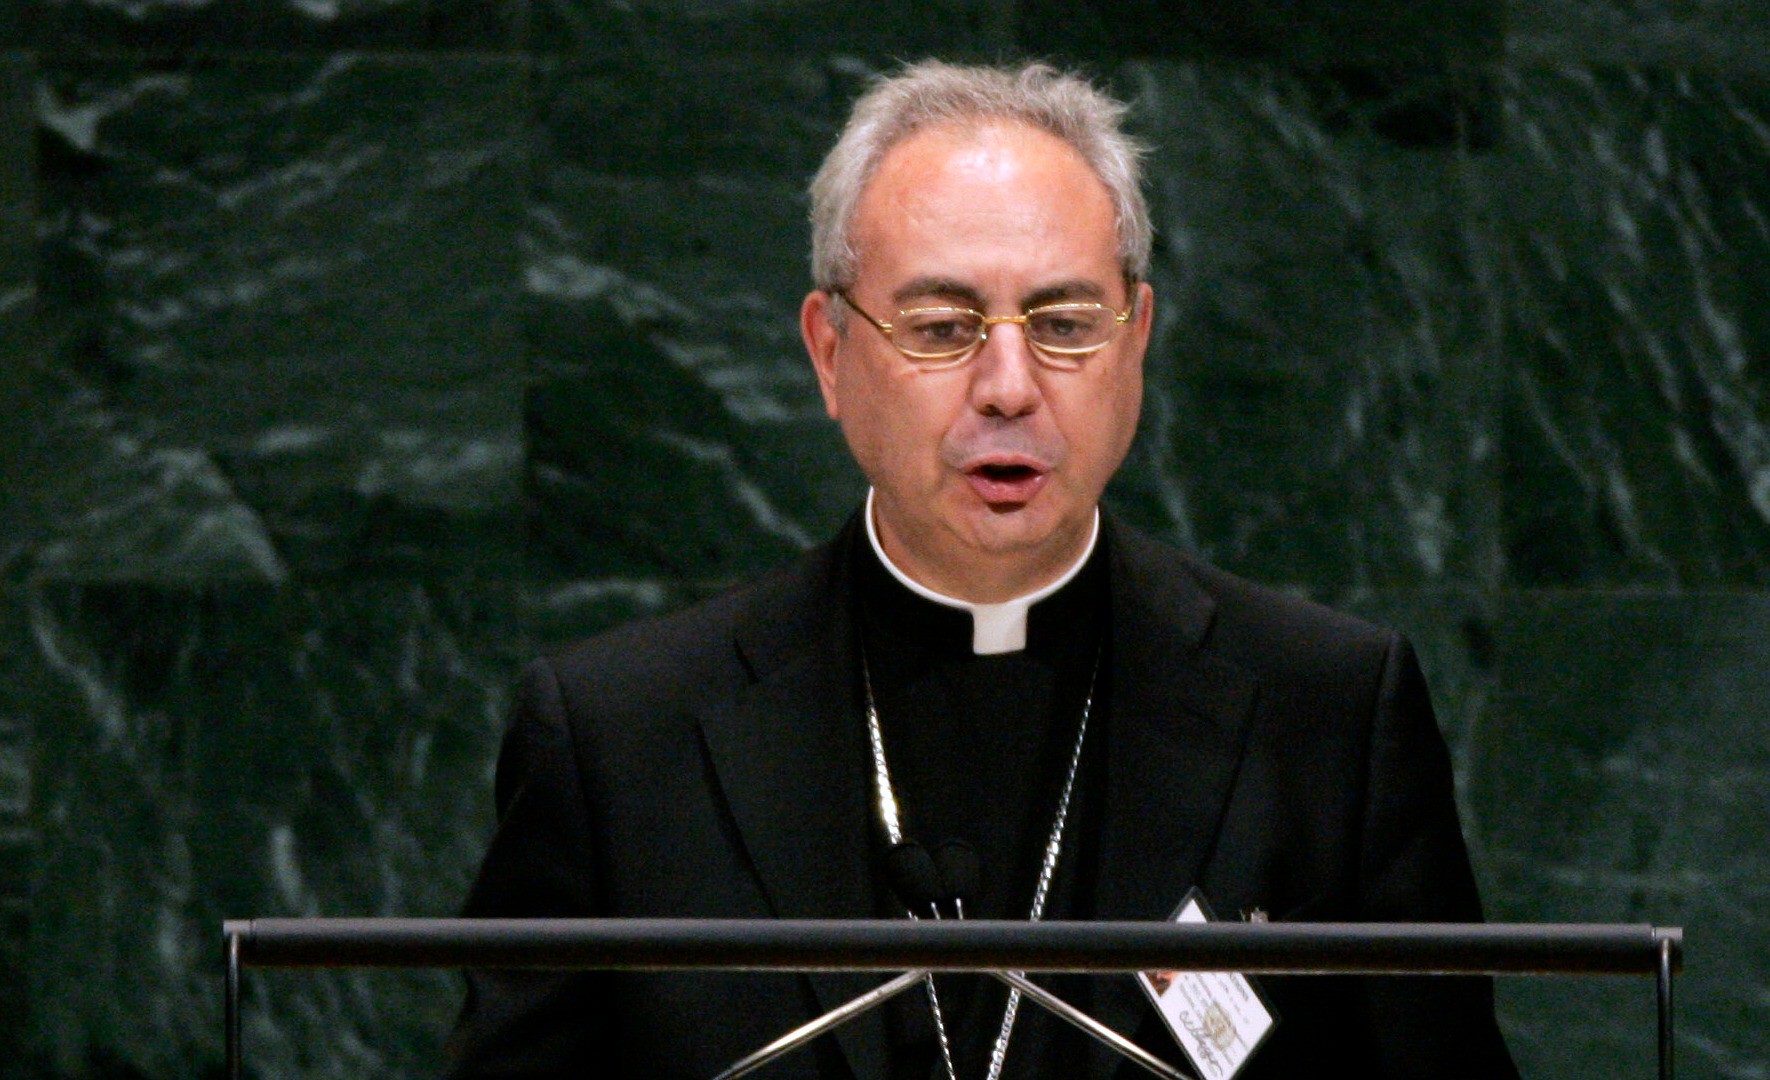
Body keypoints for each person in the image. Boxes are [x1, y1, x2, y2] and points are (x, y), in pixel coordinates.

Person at [447, 60, 1518, 1080]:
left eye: (1062, 324)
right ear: (829, 351)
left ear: (1136, 341)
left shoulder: (1327, 714)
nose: (1008, 386)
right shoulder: (621, 737)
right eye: (943, 327)